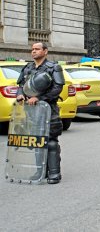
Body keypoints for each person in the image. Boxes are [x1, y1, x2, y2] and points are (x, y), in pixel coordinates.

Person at [16, 42, 65, 184]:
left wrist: (39, 98)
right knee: (37, 141)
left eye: (37, 49)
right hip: (32, 111)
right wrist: (20, 95)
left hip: (49, 109)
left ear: (45, 51)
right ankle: (40, 171)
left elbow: (58, 87)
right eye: (32, 49)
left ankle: (54, 173)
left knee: (51, 142)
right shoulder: (27, 68)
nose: (33, 51)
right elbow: (20, 86)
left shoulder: (54, 67)